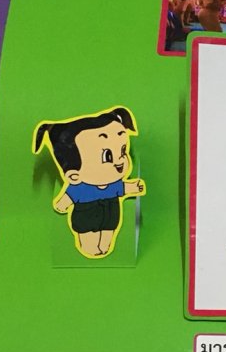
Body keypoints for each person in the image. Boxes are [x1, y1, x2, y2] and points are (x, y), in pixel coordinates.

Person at [33, 106, 145, 258]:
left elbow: (121, 187)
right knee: (89, 239)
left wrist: (133, 187)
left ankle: (104, 246)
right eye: (107, 156)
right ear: (74, 175)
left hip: (110, 214)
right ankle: (90, 247)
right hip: (86, 215)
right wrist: (62, 204)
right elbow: (69, 197)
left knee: (107, 235)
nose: (120, 161)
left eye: (123, 150)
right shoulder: (79, 188)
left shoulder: (113, 185)